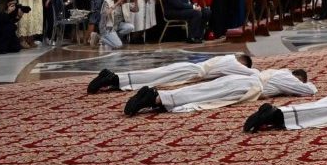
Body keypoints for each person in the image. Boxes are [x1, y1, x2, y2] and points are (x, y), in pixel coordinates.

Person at [123, 68, 316, 116]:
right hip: (246, 87)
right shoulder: (288, 78)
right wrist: (307, 84)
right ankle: (155, 99)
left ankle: (155, 97)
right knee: (204, 95)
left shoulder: (278, 72)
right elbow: (308, 91)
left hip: (240, 80)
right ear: (296, 76)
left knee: (202, 89)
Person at [86, 53, 254, 94]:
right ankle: (114, 78)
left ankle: (115, 79)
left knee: (154, 74)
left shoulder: (227, 57)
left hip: (189, 68)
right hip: (191, 71)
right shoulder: (234, 63)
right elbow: (253, 73)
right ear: (242, 62)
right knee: (153, 76)